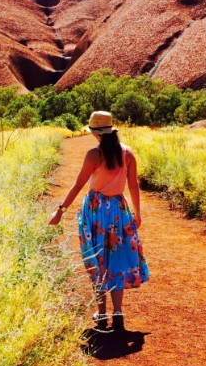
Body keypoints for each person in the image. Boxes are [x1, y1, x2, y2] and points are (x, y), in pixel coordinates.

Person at [49, 110, 149, 331]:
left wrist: (60, 210)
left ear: (95, 133)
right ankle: (118, 313)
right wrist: (138, 213)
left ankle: (102, 315)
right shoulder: (128, 153)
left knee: (97, 261)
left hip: (95, 211)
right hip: (119, 210)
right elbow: (133, 186)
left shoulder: (94, 155)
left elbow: (78, 185)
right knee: (118, 261)